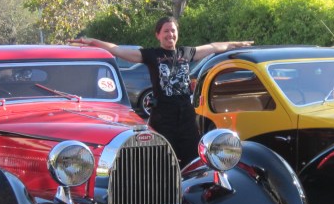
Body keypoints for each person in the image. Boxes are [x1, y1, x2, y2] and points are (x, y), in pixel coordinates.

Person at [70, 16, 253, 164]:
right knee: (164, 159)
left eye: (173, 31)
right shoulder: (151, 55)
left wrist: (236, 44)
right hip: (163, 118)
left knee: (193, 159)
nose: (170, 35)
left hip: (186, 117)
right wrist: (93, 42)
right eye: (166, 31)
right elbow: (118, 50)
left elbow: (213, 47)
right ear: (158, 35)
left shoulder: (186, 53)